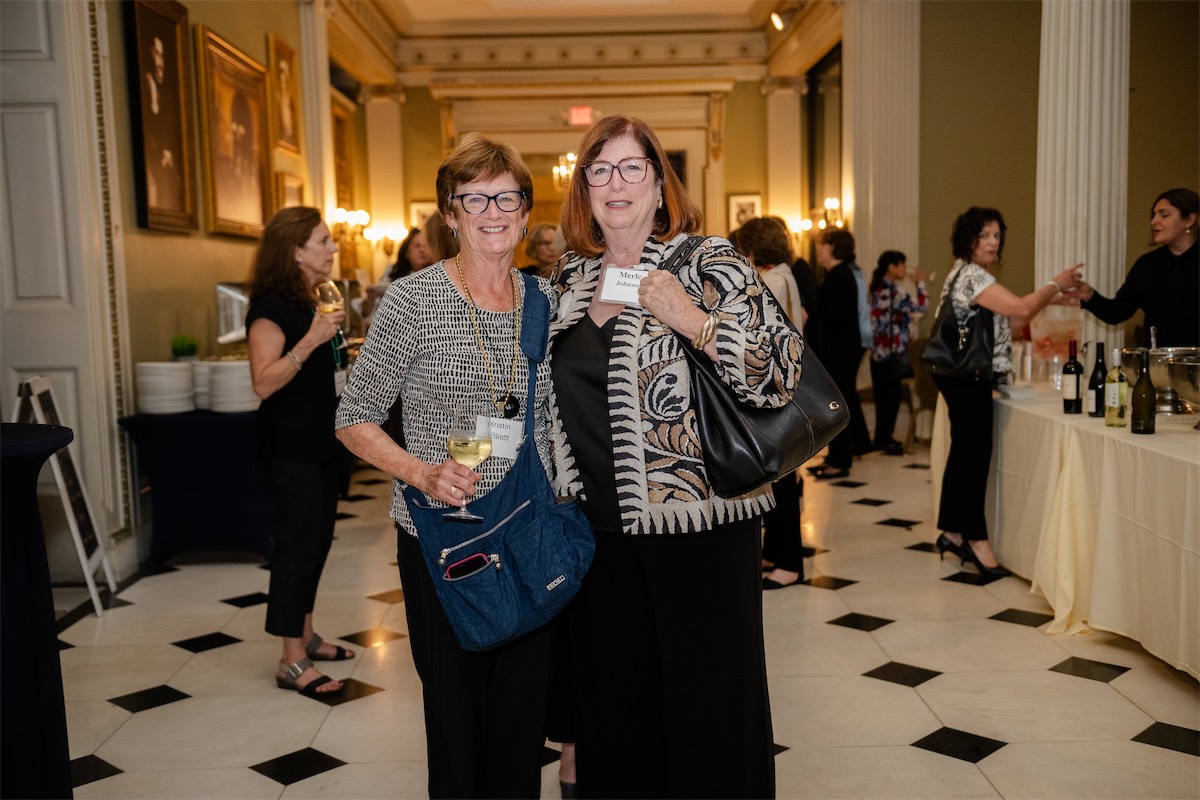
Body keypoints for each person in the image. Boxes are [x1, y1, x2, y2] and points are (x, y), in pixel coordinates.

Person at [550, 115, 787, 798]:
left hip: (700, 532)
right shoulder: (569, 278)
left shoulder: (708, 261)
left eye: (632, 167)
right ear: (584, 188)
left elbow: (780, 370)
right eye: (600, 169)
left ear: (659, 183)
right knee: (616, 712)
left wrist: (694, 320)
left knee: (708, 710)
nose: (616, 183)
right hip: (597, 538)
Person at [335, 134, 557, 799]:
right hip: (445, 538)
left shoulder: (545, 300)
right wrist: (422, 472)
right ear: (450, 213)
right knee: (457, 722)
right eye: (475, 198)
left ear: (525, 211)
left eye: (507, 198)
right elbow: (353, 417)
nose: (493, 212)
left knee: (522, 721)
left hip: (528, 533)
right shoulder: (414, 300)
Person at [933, 207, 1083, 577]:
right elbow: (1020, 307)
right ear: (968, 240)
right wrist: (1055, 285)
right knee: (975, 455)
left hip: (960, 375)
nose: (992, 242)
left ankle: (952, 531)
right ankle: (975, 538)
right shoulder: (972, 275)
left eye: (997, 235)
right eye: (984, 235)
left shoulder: (969, 274)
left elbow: (1010, 323)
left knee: (964, 451)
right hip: (967, 377)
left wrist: (1050, 299)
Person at [246, 207, 356, 698]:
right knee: (297, 548)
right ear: (295, 250)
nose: (332, 248)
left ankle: (306, 635)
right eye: (323, 241)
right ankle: (291, 660)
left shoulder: (313, 296)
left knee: (317, 543)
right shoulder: (271, 308)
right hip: (291, 446)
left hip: (321, 440)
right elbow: (264, 383)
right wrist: (312, 340)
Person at [735, 217, 808, 590]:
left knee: (781, 479)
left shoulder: (773, 280)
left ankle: (790, 564)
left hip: (775, 386)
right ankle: (776, 552)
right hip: (783, 384)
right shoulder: (784, 274)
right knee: (779, 475)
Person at [1076, 187, 1199, 346]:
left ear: (1189, 220)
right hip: (1157, 359)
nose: (1154, 221)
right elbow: (1117, 312)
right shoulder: (1147, 265)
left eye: (1164, 215)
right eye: (1154, 215)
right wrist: (1089, 295)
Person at [808, 228, 871, 479]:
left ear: (833, 247)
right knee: (838, 402)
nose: (818, 249)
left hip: (840, 352)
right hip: (840, 350)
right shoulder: (837, 274)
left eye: (821, 244)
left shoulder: (840, 276)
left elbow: (835, 321)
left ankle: (841, 461)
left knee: (838, 403)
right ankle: (836, 456)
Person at [868, 250, 928, 455]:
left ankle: (881, 438)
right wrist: (920, 283)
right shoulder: (896, 292)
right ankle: (885, 439)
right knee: (892, 398)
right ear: (891, 267)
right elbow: (922, 308)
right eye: (901, 264)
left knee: (881, 398)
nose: (904, 268)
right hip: (892, 354)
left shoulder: (875, 289)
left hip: (877, 352)